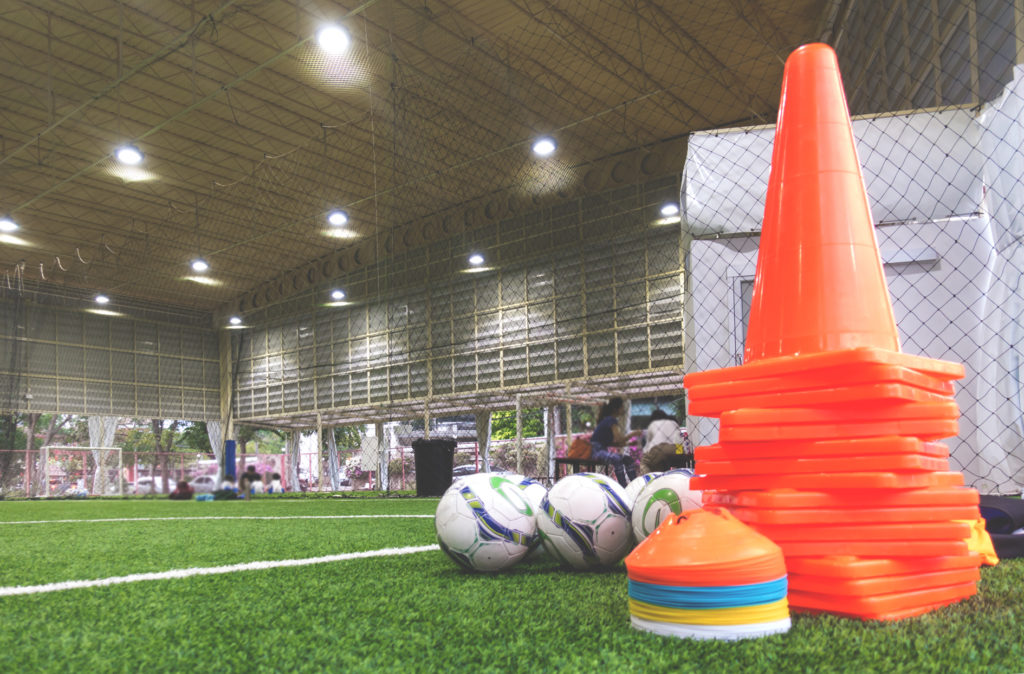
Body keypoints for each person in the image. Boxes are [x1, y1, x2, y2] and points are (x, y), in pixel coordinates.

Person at [589, 397, 641, 486]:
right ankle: (623, 486)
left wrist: (629, 443)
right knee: (616, 458)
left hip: (601, 449)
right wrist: (632, 434)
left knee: (628, 459)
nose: (623, 409)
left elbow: (615, 443)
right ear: (616, 408)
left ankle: (634, 485)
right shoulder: (611, 420)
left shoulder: (608, 420)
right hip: (596, 451)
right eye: (621, 407)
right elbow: (619, 439)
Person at [639, 409, 694, 474]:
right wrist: (682, 454)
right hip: (674, 449)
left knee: (645, 462)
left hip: (658, 450)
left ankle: (649, 480)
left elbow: (647, 446)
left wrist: (645, 456)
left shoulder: (653, 424)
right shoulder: (673, 423)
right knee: (678, 463)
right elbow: (678, 440)